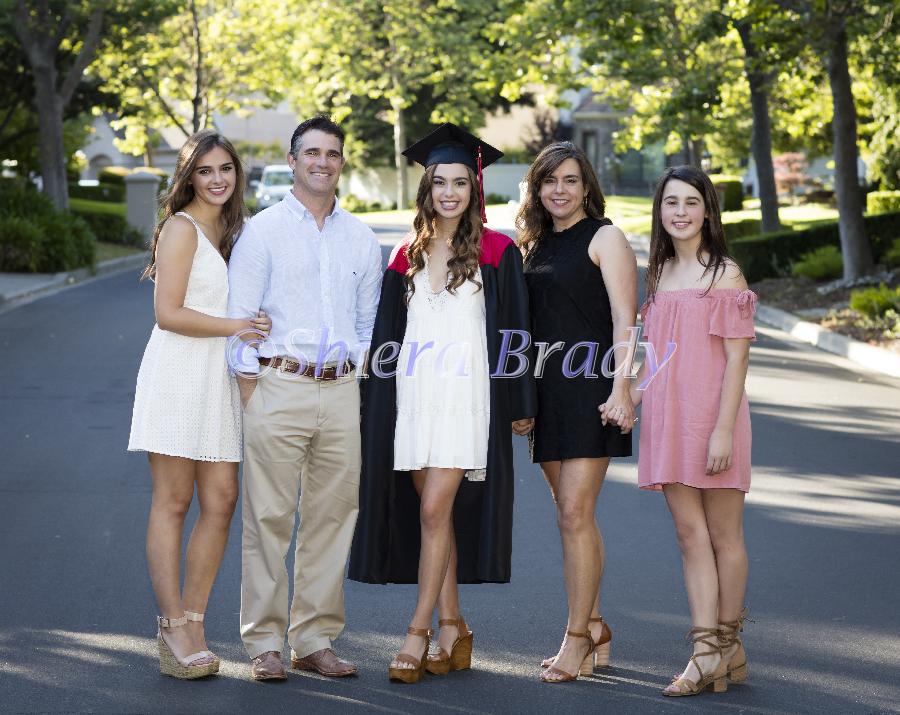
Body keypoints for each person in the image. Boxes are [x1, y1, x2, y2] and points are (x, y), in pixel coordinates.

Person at [348, 123, 537, 684]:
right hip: (413, 398)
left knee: (433, 511)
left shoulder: (498, 251)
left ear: (474, 188)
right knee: (437, 515)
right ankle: (453, 626)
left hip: (465, 398)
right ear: (426, 188)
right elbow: (386, 338)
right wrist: (372, 401)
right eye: (440, 182)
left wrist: (520, 399)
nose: (449, 192)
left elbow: (516, 332)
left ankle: (416, 632)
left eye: (460, 182)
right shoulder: (403, 255)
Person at [227, 115, 382, 681]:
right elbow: (240, 318)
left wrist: (353, 374)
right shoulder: (262, 232)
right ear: (292, 161)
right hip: (278, 385)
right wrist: (251, 387)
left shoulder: (361, 238)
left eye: (332, 153)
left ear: (342, 162)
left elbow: (367, 323)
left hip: (340, 391)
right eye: (311, 153)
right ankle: (264, 642)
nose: (322, 162)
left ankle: (314, 639)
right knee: (268, 518)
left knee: (332, 518)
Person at [128, 130, 271, 679]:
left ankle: (194, 619)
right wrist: (238, 325)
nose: (217, 179)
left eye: (225, 169)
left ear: (237, 173)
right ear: (188, 177)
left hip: (220, 378)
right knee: (173, 501)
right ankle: (172, 626)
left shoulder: (236, 229)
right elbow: (167, 313)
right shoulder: (180, 228)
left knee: (222, 500)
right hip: (178, 372)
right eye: (205, 170)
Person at [616, 165, 755, 697]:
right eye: (670, 202)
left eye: (691, 202)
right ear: (659, 211)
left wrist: (722, 432)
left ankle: (726, 642)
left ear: (707, 211)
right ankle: (708, 652)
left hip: (716, 420)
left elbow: (737, 362)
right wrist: (628, 397)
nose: (680, 212)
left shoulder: (725, 274)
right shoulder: (659, 274)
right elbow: (659, 358)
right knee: (689, 535)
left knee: (724, 536)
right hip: (669, 421)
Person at [517, 141, 637, 683]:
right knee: (569, 515)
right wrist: (521, 397)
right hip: (546, 394)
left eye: (570, 179)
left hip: (592, 390)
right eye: (549, 181)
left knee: (573, 512)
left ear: (586, 185)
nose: (559, 189)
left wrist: (622, 389)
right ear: (537, 189)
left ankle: (577, 638)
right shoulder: (535, 243)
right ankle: (594, 624)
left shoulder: (605, 237)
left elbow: (625, 318)